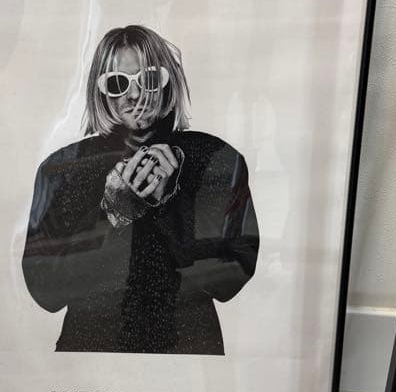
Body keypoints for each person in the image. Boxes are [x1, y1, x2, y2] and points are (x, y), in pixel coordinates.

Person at [22, 24, 259, 354]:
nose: (134, 95)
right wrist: (112, 214)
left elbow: (229, 281)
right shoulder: (63, 169)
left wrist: (170, 205)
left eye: (148, 79)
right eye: (118, 83)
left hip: (189, 356)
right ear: (100, 91)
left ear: (168, 81)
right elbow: (46, 291)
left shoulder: (216, 159)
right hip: (89, 358)